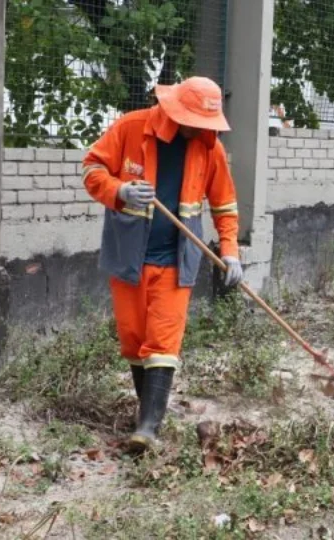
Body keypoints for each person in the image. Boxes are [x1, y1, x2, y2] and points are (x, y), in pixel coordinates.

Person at [82, 77, 244, 452]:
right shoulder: (130, 128)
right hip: (129, 257)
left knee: (163, 340)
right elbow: (92, 170)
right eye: (195, 121)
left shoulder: (209, 148)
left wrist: (231, 251)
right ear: (175, 112)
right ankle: (145, 415)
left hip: (177, 259)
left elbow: (225, 204)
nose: (202, 130)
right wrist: (119, 190)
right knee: (134, 338)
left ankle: (149, 428)